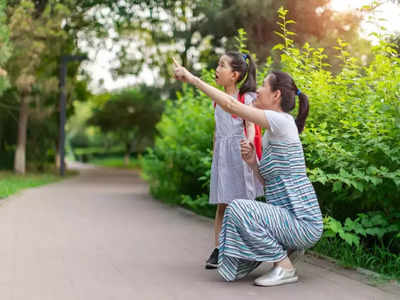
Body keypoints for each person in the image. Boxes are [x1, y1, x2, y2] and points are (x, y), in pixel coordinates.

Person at [173, 59, 323, 286]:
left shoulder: (282, 121)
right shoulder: (273, 132)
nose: (258, 90)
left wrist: (192, 79)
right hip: (288, 218)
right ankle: (288, 248)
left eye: (264, 85)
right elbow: (269, 181)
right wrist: (253, 162)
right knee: (239, 210)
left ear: (276, 96)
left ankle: (284, 265)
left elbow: (232, 106)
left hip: (302, 221)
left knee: (237, 207)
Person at [204, 52, 263, 269]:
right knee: (222, 204)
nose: (217, 69)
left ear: (235, 75)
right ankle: (219, 250)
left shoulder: (245, 99)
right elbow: (217, 132)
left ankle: (248, 248)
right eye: (218, 64)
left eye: (222, 65)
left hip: (240, 156)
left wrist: (248, 143)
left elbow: (250, 126)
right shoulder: (217, 100)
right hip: (223, 157)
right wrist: (215, 155)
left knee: (245, 204)